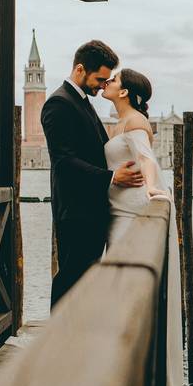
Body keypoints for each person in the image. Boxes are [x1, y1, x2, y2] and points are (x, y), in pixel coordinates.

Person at [100, 66, 183, 386]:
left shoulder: (136, 122)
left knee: (120, 279)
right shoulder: (115, 121)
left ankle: (125, 365)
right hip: (114, 211)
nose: (107, 84)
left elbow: (147, 159)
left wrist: (152, 189)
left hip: (130, 211)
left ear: (126, 92)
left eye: (112, 81)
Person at [41, 40, 144, 308]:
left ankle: (74, 340)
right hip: (76, 211)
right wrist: (110, 178)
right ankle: (58, 341)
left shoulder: (82, 101)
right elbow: (63, 162)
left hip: (89, 210)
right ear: (79, 70)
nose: (103, 84)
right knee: (71, 280)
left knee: (85, 282)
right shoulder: (58, 104)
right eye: (100, 78)